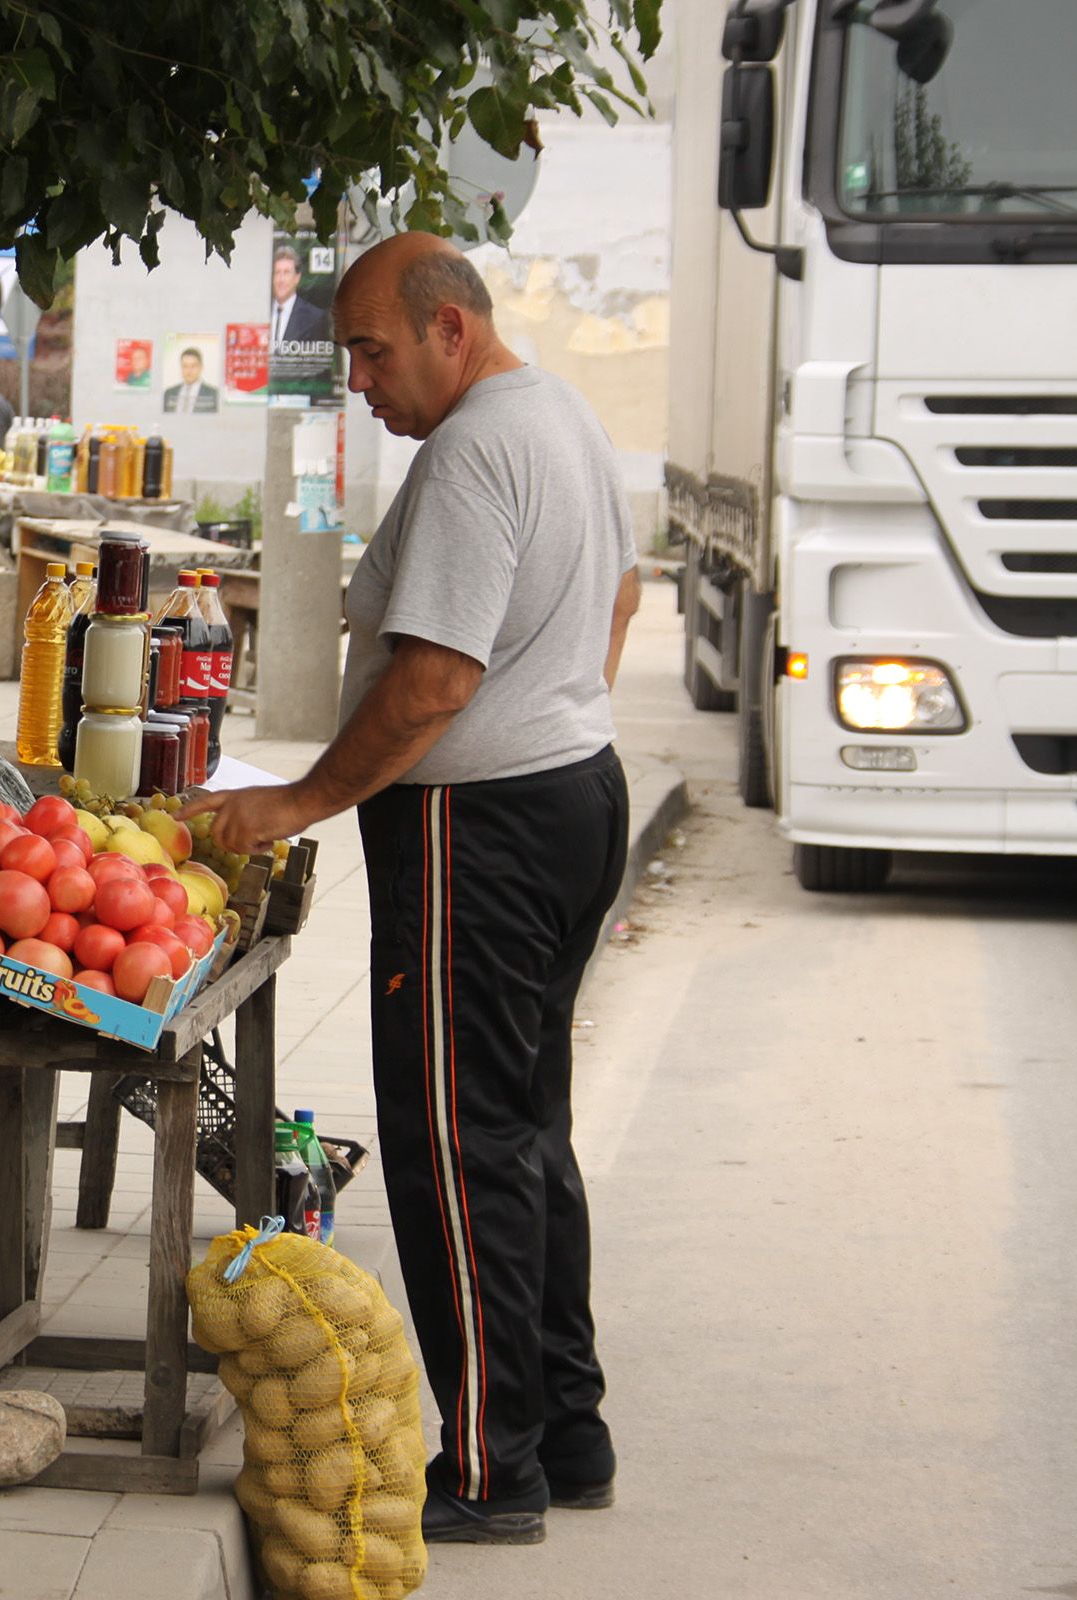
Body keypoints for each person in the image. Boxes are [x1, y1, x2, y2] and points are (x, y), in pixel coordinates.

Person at [185, 233, 643, 1547]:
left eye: (374, 351)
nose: (360, 380)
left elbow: (436, 681)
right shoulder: (556, 414)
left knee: (456, 1145)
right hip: (569, 792)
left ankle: (495, 1472)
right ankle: (568, 1430)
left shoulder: (476, 450)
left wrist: (298, 800)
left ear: (452, 330)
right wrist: (554, 707)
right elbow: (620, 594)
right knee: (525, 1128)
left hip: (477, 829)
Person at [269, 244, 333, 348]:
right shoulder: (262, 311)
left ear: (297, 278)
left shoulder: (315, 318)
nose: (281, 280)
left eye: (286, 273)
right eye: (277, 272)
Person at [161, 347, 220, 415]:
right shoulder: (169, 393)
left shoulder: (214, 394)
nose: (189, 370)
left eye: (193, 366)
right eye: (185, 366)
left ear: (201, 367)